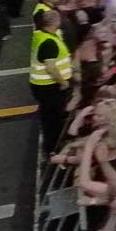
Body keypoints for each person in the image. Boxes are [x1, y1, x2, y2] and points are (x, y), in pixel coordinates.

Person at [30, 8, 74, 155]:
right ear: (56, 22)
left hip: (41, 86)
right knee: (52, 119)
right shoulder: (49, 42)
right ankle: (52, 148)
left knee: (48, 116)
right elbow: (51, 68)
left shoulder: (41, 35)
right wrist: (63, 83)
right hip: (49, 87)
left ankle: (51, 146)